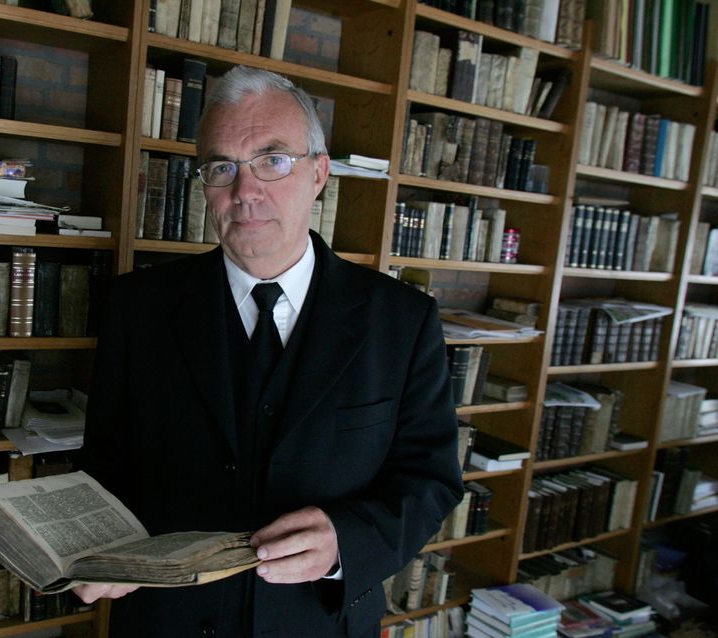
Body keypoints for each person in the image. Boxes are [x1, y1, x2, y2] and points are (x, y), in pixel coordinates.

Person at [77, 65, 463, 637]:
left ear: (320, 173)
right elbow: (105, 464)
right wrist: (92, 546)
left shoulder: (402, 320)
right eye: (221, 167)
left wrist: (345, 541)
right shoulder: (138, 307)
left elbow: (430, 480)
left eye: (272, 160)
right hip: (165, 623)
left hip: (319, 624)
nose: (245, 190)